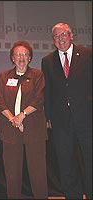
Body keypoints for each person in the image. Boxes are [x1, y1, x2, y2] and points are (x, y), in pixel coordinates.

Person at [41, 22, 92, 199]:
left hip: (86, 118)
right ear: (53, 40)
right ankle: (73, 196)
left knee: (90, 159)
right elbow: (47, 91)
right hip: (61, 121)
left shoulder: (87, 54)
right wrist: (48, 117)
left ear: (71, 36)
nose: (60, 38)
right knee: (66, 163)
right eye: (56, 36)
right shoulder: (47, 61)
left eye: (63, 34)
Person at [0, 40, 48, 199]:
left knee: (37, 172)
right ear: (12, 57)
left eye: (25, 54)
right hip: (10, 129)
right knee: (12, 173)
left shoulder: (37, 75)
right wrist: (13, 119)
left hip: (34, 130)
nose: (21, 57)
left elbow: (39, 99)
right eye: (18, 54)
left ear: (30, 57)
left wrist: (22, 116)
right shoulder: (4, 76)